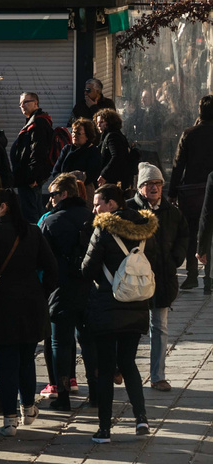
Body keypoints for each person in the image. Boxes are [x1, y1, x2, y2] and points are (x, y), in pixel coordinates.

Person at [0, 187, 59, 437]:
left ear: (4, 206)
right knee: (26, 359)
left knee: (6, 364)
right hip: (32, 304)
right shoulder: (32, 230)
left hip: (1, 306)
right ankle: (28, 407)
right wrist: (41, 293)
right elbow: (52, 268)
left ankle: (10, 420)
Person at [81, 184, 156, 443]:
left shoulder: (103, 229)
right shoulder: (146, 229)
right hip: (136, 306)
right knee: (128, 363)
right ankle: (141, 418)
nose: (94, 208)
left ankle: (104, 429)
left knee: (105, 367)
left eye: (98, 203)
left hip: (107, 306)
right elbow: (153, 262)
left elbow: (87, 269)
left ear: (112, 204)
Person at [38, 171, 91, 411]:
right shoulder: (92, 217)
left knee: (60, 343)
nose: (50, 200)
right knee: (89, 342)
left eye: (53, 195)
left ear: (64, 194)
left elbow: (41, 260)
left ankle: (63, 396)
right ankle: (98, 394)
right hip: (90, 289)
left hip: (61, 290)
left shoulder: (50, 222)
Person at [131, 163, 186, 391]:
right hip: (134, 281)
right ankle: (121, 368)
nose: (154, 188)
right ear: (140, 187)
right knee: (131, 326)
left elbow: (183, 236)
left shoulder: (172, 213)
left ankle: (157, 376)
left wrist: (175, 259)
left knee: (160, 327)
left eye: (158, 183)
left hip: (162, 279)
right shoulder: (130, 211)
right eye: (149, 183)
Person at [169, 96, 213, 290]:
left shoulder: (189, 134)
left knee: (191, 231)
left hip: (193, 192)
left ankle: (192, 274)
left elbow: (178, 165)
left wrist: (171, 192)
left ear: (199, 111)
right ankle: (209, 276)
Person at [9, 92, 57, 221]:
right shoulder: (34, 121)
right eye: (20, 103)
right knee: (34, 209)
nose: (22, 105)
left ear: (36, 103)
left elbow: (38, 151)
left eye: (25, 102)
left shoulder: (38, 123)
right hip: (27, 177)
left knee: (31, 213)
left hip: (29, 178)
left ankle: (35, 237)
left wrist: (32, 177)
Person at [95, 108, 134, 187]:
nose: (98, 125)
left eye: (101, 122)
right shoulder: (113, 135)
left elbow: (117, 156)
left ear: (109, 122)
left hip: (114, 180)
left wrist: (104, 174)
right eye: (97, 122)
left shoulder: (113, 136)